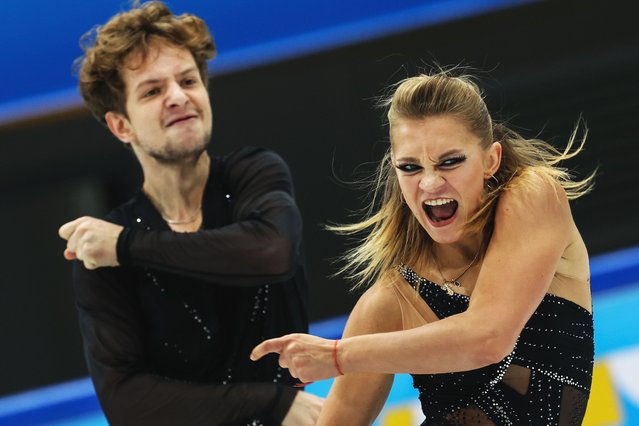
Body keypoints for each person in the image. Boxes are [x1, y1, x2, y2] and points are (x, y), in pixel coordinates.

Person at [252, 70, 595, 425]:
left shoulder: (533, 195)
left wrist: (340, 355)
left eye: (450, 161)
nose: (430, 183)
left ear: (491, 159)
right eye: (410, 167)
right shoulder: (389, 302)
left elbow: (487, 338)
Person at [57, 2, 323, 425]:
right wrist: (271, 401)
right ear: (120, 125)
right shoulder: (101, 252)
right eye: (152, 90)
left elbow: (271, 251)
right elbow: (127, 403)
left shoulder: (252, 174)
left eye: (188, 80)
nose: (178, 97)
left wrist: (128, 247)